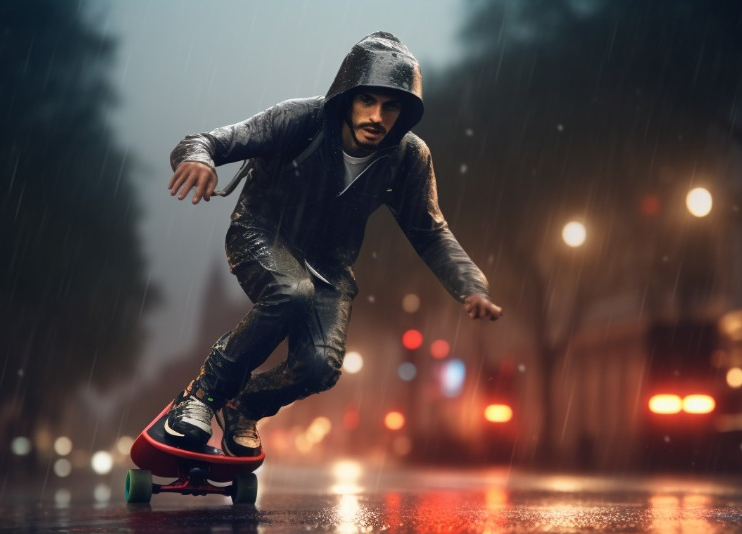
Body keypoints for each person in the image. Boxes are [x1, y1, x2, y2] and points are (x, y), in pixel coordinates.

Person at [164, 31, 503, 457]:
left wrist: (471, 285)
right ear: (346, 97)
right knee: (290, 292)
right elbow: (209, 140)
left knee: (320, 367)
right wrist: (199, 157)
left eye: (391, 106)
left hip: (329, 264)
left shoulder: (408, 158)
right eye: (368, 101)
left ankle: (245, 404)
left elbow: (430, 231)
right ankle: (201, 395)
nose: (377, 117)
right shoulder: (298, 121)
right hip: (261, 234)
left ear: (405, 113)